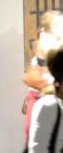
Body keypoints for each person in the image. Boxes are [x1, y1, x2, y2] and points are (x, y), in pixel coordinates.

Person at [22, 11, 63, 140]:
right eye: (58, 23)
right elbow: (31, 76)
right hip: (40, 94)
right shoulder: (44, 42)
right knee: (33, 131)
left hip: (53, 94)